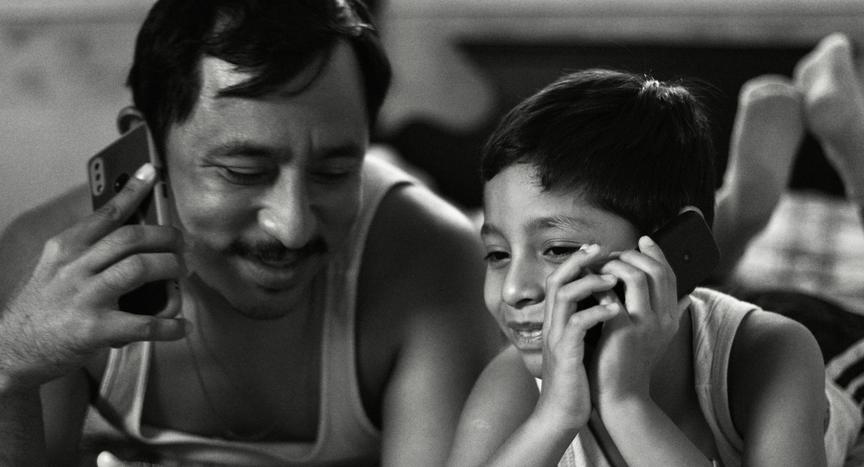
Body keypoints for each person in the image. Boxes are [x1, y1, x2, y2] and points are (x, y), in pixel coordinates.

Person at [0, 1, 497, 465]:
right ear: (146, 144)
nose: (294, 227)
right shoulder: (48, 270)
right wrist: (11, 371)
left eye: (334, 173)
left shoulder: (432, 260)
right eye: (243, 172)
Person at [446, 68, 864, 467]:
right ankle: (741, 207)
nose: (513, 290)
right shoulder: (513, 384)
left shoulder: (775, 354)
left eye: (557, 249)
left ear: (672, 246)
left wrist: (625, 401)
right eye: (497, 254)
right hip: (689, 312)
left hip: (831, 345)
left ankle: (852, 146)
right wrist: (554, 418)